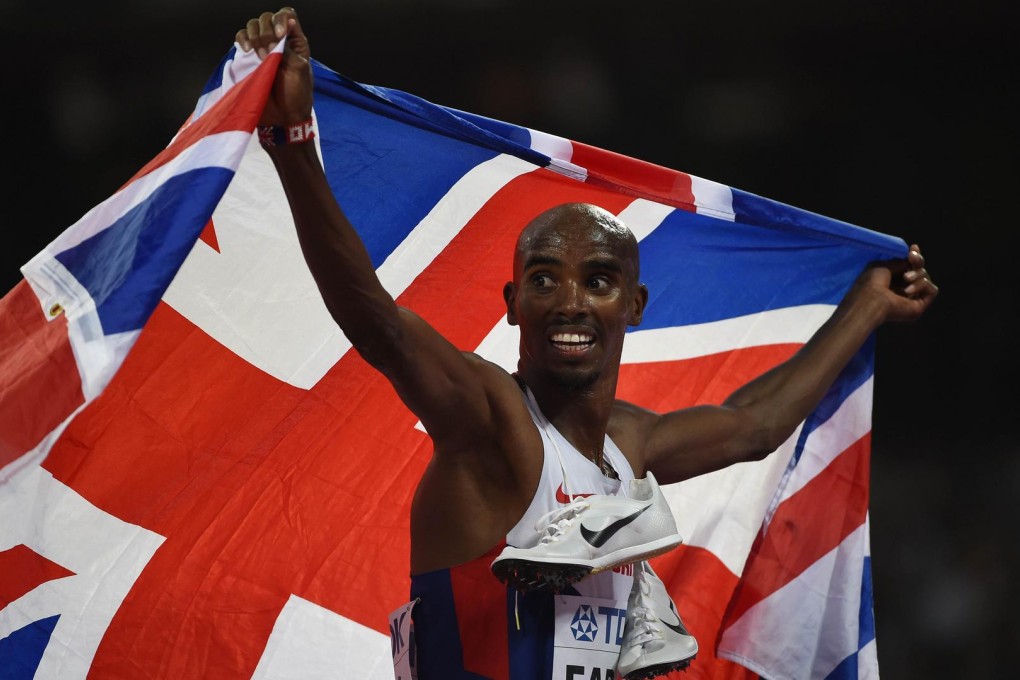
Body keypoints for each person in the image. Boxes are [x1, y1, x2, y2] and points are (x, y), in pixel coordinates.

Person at [236, 8, 938, 679]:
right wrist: (295, 142)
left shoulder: (629, 447)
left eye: (598, 281)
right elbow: (380, 324)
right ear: (513, 306)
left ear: (633, 307)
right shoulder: (491, 422)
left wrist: (867, 306)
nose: (571, 301)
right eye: (545, 279)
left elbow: (753, 426)